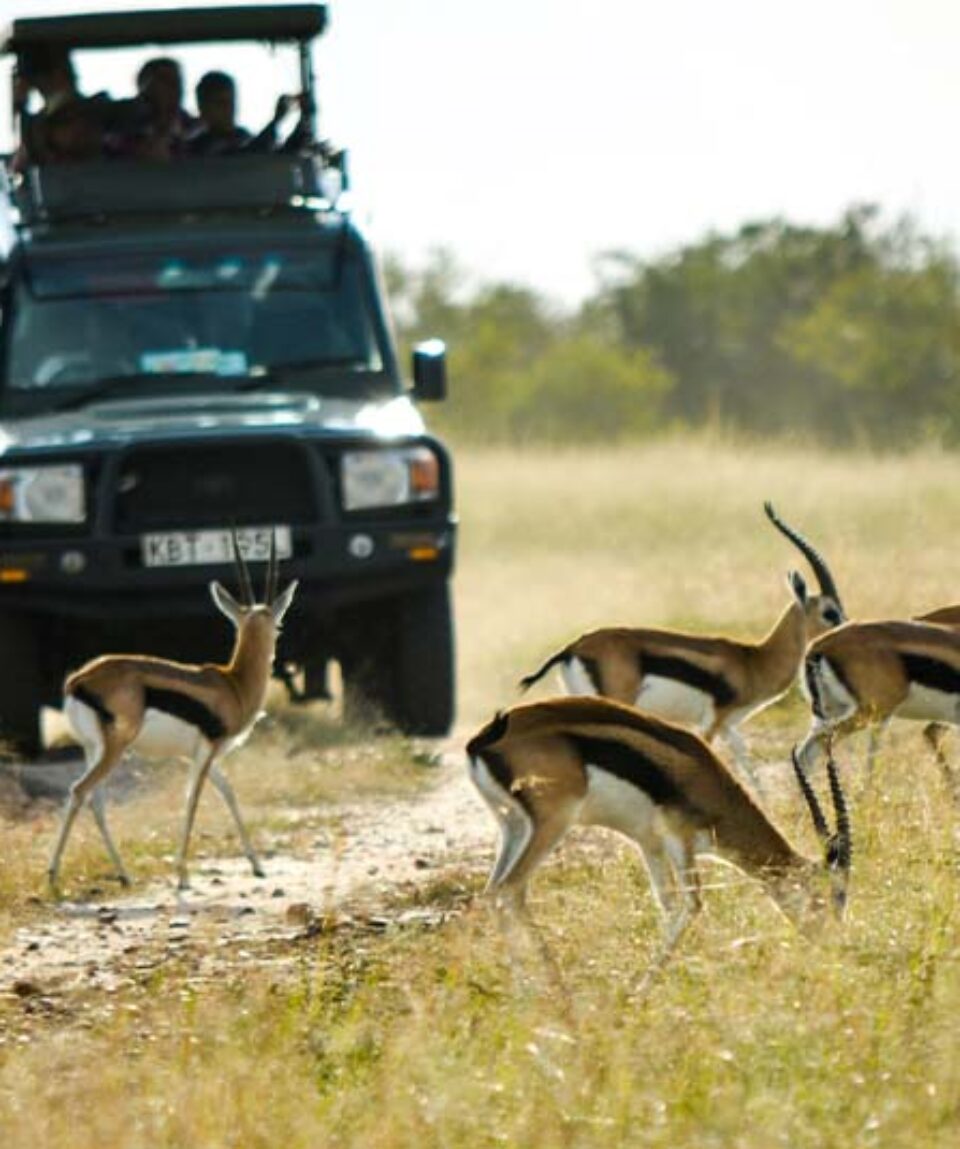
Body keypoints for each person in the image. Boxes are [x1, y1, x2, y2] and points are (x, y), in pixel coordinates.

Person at [185, 70, 309, 157]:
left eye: (232, 102)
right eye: (220, 103)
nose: (229, 109)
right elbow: (246, 159)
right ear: (203, 107)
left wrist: (302, 123)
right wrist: (276, 120)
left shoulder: (243, 137)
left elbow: (275, 160)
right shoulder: (197, 148)